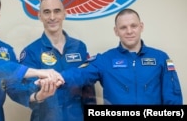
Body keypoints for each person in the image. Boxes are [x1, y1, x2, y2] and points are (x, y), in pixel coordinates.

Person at [52, 8, 183, 105]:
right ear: (116, 31)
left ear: (141, 27)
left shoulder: (161, 58)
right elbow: (79, 74)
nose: (129, 31)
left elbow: (173, 97)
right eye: (123, 27)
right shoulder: (105, 60)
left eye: (134, 26)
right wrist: (56, 78)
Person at [10, 0, 96, 121]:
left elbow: (88, 88)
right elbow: (21, 88)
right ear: (40, 16)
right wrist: (39, 94)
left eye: (57, 11)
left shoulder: (79, 47)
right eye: (46, 12)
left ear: (64, 14)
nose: (52, 17)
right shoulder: (31, 52)